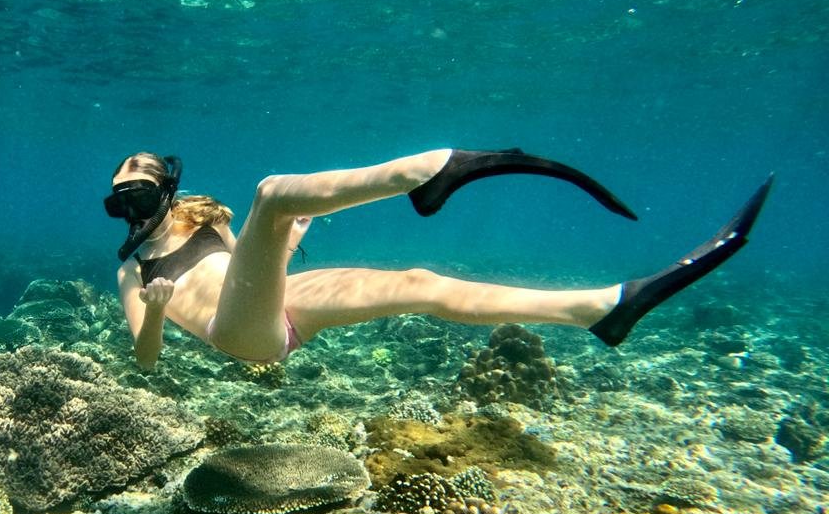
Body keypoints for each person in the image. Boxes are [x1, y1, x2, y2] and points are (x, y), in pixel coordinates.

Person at [104, 148, 772, 370]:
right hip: (238, 337)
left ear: (165, 188)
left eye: (136, 189)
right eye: (118, 198)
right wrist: (158, 314)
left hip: (276, 309)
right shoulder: (133, 270)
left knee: (419, 282)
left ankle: (603, 308)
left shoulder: (208, 222)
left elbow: (249, 270)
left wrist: (290, 238)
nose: (128, 206)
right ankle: (431, 171)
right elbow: (147, 358)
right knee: (273, 194)